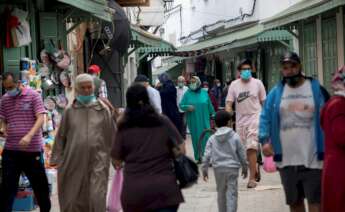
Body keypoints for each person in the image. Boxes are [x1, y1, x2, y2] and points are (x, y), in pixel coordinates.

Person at [259, 52, 329, 212]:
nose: (289, 70)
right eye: (285, 67)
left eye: (293, 66)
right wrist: (264, 141)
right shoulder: (276, 93)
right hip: (286, 161)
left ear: (300, 66)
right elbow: (265, 118)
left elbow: (329, 116)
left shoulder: (316, 89)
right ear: (281, 70)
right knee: (295, 204)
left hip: (313, 159)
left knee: (316, 204)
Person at [111, 83, 185, 212]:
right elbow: (181, 149)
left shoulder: (124, 126)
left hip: (135, 193)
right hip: (165, 191)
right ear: (147, 99)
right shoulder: (162, 121)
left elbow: (116, 161)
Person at [50, 74, 116, 212]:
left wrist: (117, 159)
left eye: (89, 87)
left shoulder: (103, 110)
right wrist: (56, 159)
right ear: (77, 89)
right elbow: (61, 136)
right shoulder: (69, 111)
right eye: (83, 87)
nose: (86, 90)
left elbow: (112, 135)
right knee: (73, 198)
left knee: (96, 197)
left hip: (98, 159)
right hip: (73, 160)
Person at [0, 72, 51, 212]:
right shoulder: (4, 99)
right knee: (7, 187)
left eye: (11, 86)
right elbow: (4, 118)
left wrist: (29, 136)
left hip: (32, 149)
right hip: (11, 150)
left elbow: (41, 118)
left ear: (19, 83)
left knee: (40, 186)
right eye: (6, 87)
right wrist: (3, 128)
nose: (9, 90)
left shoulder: (33, 95)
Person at [225, 59, 266, 188]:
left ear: (252, 70)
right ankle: (255, 169)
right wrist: (228, 113)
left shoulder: (258, 83)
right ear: (239, 71)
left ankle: (252, 179)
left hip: (255, 117)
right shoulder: (234, 85)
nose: (246, 71)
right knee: (244, 151)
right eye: (243, 69)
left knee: (251, 147)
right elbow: (229, 103)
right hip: (240, 120)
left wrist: (267, 119)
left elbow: (264, 102)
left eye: (248, 69)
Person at [202, 111, 248, 212]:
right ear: (228, 123)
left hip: (218, 169)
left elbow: (206, 156)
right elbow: (242, 154)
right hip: (232, 169)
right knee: (232, 193)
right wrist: (245, 167)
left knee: (221, 193)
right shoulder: (235, 137)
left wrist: (204, 169)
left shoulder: (212, 138)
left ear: (216, 124)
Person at [321, 66, 345, 212]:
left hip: (334, 165)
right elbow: (342, 136)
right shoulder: (339, 105)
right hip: (340, 167)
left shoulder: (332, 103)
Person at [180, 76, 215, 163]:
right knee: (196, 139)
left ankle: (208, 158)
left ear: (198, 82)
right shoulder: (187, 93)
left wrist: (214, 115)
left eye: (194, 82)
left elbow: (209, 105)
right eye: (191, 82)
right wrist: (187, 107)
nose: (192, 84)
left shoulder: (204, 93)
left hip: (205, 120)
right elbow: (181, 105)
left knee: (206, 137)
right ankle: (198, 157)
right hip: (193, 121)